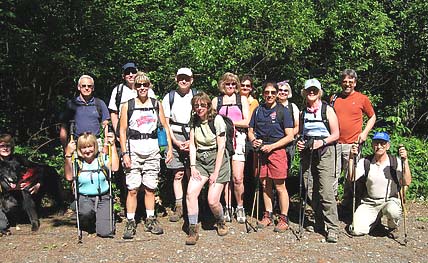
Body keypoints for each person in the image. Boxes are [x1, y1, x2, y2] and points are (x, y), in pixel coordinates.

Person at [119, 72, 173, 239]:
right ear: (135, 87)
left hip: (152, 149)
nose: (142, 88)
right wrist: (124, 153)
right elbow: (122, 131)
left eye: (145, 85)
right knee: (133, 188)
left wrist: (169, 148)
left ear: (149, 86)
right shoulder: (127, 105)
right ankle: (130, 221)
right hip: (133, 149)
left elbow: (164, 126)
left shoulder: (157, 104)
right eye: (139, 85)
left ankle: (150, 218)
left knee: (150, 187)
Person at [297, 78, 340, 243]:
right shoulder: (303, 112)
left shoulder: (327, 110)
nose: (312, 92)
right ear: (305, 92)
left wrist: (321, 142)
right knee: (310, 188)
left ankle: (333, 228)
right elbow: (301, 133)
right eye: (309, 90)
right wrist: (300, 142)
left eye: (315, 90)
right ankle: (319, 222)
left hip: (325, 151)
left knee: (326, 190)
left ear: (319, 91)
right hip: (308, 151)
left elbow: (336, 134)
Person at [247, 81, 294, 233]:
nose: (270, 95)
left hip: (277, 150)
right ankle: (268, 214)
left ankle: (283, 217)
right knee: (264, 183)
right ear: (263, 94)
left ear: (276, 94)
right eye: (267, 93)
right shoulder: (258, 110)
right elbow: (250, 130)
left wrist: (272, 146)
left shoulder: (283, 111)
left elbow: (290, 136)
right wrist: (253, 140)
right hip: (261, 151)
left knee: (280, 185)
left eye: (273, 93)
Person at [185, 92, 231, 245]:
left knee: (212, 200)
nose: (199, 108)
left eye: (202, 105)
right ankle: (193, 229)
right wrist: (193, 167)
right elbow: (192, 144)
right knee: (191, 193)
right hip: (200, 160)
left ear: (208, 106)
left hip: (218, 161)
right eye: (196, 105)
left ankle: (220, 220)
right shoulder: (194, 121)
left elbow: (221, 147)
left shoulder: (216, 120)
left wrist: (216, 172)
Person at [348, 132, 411, 237]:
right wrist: (351, 158)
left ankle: (392, 226)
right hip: (370, 202)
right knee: (355, 230)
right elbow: (352, 178)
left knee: (393, 211)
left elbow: (407, 182)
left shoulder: (395, 162)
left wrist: (405, 161)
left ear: (388, 146)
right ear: (372, 145)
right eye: (376, 143)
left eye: (382, 143)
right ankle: (375, 220)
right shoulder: (365, 162)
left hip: (390, 200)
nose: (379, 146)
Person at [331, 69, 376, 214]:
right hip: (334, 143)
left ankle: (348, 204)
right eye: (345, 81)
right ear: (341, 82)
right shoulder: (334, 98)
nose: (347, 84)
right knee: (333, 174)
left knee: (351, 176)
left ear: (355, 83)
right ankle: (331, 205)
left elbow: (372, 117)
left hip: (353, 144)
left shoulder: (362, 98)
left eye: (350, 81)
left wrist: (364, 133)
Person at [0, 134, 65, 234]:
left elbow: (39, 168)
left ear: (11, 147)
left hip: (27, 191)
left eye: (7, 146)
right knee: (10, 207)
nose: (5, 148)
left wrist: (38, 183)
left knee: (48, 173)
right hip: (7, 196)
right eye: (2, 146)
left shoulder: (18, 158)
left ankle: (37, 219)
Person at [64, 132, 119, 237]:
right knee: (86, 213)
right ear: (79, 149)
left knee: (105, 232)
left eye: (90, 146)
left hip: (103, 197)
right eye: (84, 147)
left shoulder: (101, 158)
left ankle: (101, 218)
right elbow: (69, 177)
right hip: (84, 198)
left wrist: (113, 146)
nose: (87, 150)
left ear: (95, 146)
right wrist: (68, 155)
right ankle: (85, 216)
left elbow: (115, 168)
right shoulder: (76, 161)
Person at [212, 73, 250, 223]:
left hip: (238, 139)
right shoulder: (217, 100)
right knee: (224, 177)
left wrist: (230, 123)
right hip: (221, 140)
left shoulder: (242, 100)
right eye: (228, 84)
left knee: (237, 177)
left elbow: (247, 121)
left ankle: (240, 206)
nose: (231, 87)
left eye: (234, 84)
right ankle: (227, 206)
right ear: (223, 84)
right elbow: (212, 119)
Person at [162, 68, 196, 222]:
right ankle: (179, 206)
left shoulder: (196, 96)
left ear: (191, 80)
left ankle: (193, 204)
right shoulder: (169, 97)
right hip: (174, 135)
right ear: (176, 79)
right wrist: (174, 142)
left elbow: (200, 119)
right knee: (178, 174)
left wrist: (192, 141)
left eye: (187, 78)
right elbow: (165, 122)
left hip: (192, 135)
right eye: (181, 78)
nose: (184, 81)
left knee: (192, 173)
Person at [59, 75, 110, 149]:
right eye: (83, 86)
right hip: (77, 143)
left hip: (96, 143)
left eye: (89, 86)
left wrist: (105, 145)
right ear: (79, 87)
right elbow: (64, 127)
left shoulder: (99, 103)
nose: (86, 88)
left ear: (93, 88)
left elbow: (105, 126)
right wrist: (65, 148)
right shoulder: (71, 104)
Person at [108, 62, 156, 134]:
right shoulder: (118, 90)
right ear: (123, 76)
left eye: (133, 72)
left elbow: (156, 110)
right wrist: (118, 132)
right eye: (127, 73)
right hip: (126, 132)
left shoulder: (148, 90)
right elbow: (114, 113)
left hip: (147, 131)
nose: (131, 75)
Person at [277, 80, 299, 170]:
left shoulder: (292, 106)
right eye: (280, 90)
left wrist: (287, 137)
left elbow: (297, 126)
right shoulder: (271, 106)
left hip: (289, 144)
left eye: (285, 90)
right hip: (273, 142)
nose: (282, 92)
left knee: (285, 168)